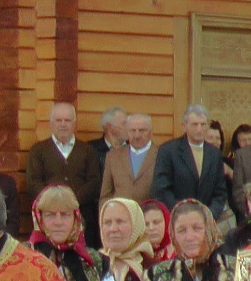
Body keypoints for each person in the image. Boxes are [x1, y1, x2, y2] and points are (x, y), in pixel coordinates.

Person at [23, 102, 100, 227]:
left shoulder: (87, 150)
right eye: (58, 120)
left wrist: (71, 202)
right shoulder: (38, 150)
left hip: (82, 218)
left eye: (67, 120)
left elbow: (94, 181)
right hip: (49, 218)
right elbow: (33, 182)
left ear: (74, 124)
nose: (63, 124)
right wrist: (54, 203)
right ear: (51, 124)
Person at [152, 104, 229, 218]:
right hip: (177, 219)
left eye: (203, 124)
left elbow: (220, 192)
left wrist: (209, 215)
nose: (199, 129)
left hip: (206, 221)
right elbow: (161, 190)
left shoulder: (215, 154)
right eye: (194, 124)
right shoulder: (168, 150)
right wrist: (183, 214)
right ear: (184, 126)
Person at [82, 107, 128, 247]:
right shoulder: (91, 149)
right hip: (96, 214)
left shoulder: (132, 150)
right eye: (124, 123)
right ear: (109, 126)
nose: (129, 127)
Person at [101, 111, 159, 209]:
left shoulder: (162, 155)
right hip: (119, 218)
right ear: (127, 131)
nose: (137, 135)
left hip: (149, 219)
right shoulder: (113, 157)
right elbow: (105, 195)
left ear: (151, 131)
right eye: (132, 130)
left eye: (142, 130)